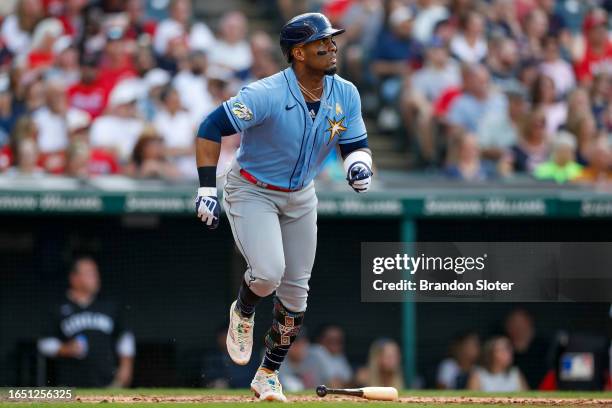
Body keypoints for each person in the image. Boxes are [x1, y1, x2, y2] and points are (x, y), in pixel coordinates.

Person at [194, 13, 373, 402]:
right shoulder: (267, 93)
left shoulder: (346, 93)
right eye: (321, 42)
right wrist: (207, 186)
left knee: (296, 294)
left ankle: (268, 374)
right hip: (252, 189)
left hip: (301, 194)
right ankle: (243, 310)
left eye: (332, 40)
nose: (331, 47)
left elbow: (354, 143)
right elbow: (210, 127)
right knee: (268, 274)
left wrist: (358, 164)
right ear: (298, 53)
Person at [37, 256, 135, 387]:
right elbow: (44, 344)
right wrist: (65, 349)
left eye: (96, 273)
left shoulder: (108, 305)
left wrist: (126, 367)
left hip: (107, 382)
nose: (96, 278)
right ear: (74, 278)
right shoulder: (58, 307)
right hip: (70, 384)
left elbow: (125, 337)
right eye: (90, 273)